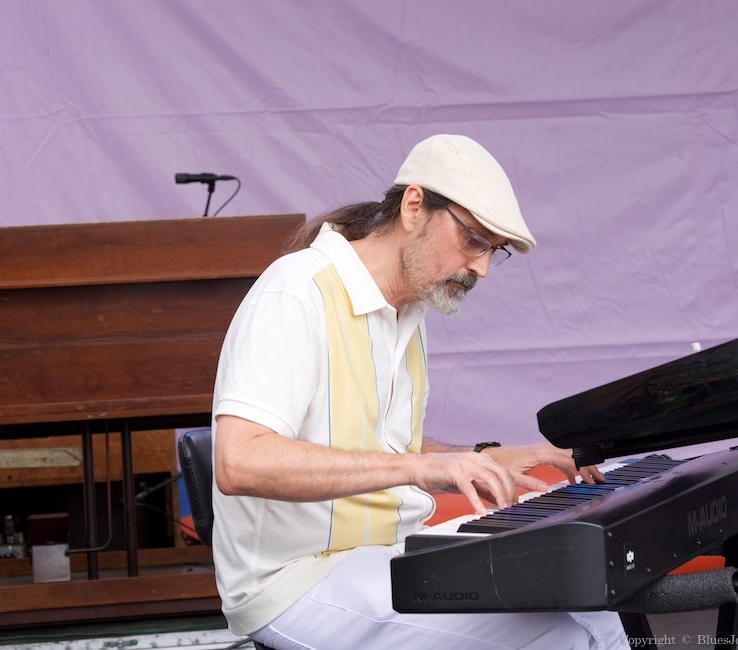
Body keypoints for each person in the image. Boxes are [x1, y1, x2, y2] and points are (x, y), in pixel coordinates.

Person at [211, 134, 629, 649]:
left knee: (594, 605)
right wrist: (422, 469)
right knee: (562, 640)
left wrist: (487, 457)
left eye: (493, 252)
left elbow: (376, 444)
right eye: (474, 240)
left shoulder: (410, 309)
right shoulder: (297, 291)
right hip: (296, 580)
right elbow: (240, 462)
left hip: (390, 553)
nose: (480, 267)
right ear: (414, 206)